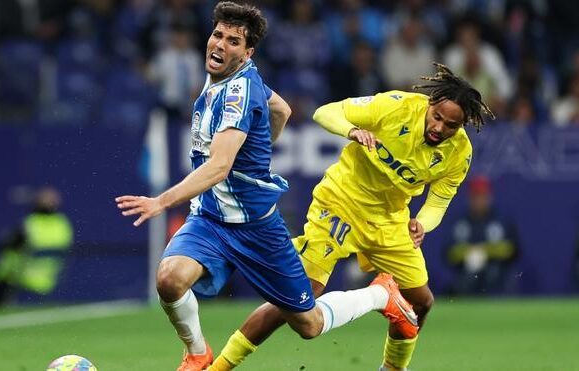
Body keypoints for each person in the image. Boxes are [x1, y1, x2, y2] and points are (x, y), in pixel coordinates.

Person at [115, 2, 418, 370]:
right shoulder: (235, 75)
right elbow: (283, 109)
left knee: (309, 324)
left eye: (232, 41)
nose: (220, 45)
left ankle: (379, 294)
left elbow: (220, 166)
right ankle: (197, 354)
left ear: (247, 53)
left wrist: (161, 201)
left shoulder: (237, 94)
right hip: (211, 219)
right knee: (169, 279)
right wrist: (260, 144)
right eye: (218, 35)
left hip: (257, 228)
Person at [209, 63, 495, 371]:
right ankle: (219, 367)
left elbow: (439, 201)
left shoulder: (459, 153)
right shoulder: (395, 107)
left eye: (451, 125)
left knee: (422, 302)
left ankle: (392, 367)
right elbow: (325, 112)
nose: (439, 128)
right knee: (297, 301)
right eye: (437, 117)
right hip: (340, 204)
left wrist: (421, 223)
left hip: (389, 219)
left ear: (462, 124)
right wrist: (352, 130)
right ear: (430, 104)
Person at [0, 186, 73, 305]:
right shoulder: (63, 224)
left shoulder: (30, 224)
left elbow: (10, 257)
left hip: (22, 285)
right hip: (49, 285)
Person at [445, 175, 519, 296]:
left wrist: (484, 252)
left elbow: (513, 249)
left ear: (489, 197)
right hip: (467, 272)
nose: (479, 201)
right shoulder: (460, 222)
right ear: (469, 198)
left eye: (482, 196)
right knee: (468, 275)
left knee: (493, 273)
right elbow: (449, 252)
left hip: (496, 272)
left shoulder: (501, 220)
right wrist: (469, 253)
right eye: (475, 196)